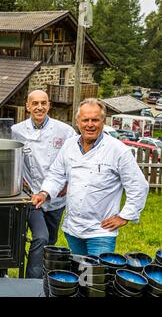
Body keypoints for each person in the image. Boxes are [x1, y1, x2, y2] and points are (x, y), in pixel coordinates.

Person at [32, 98, 149, 256]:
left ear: (103, 121)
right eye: (85, 120)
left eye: (95, 120)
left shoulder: (118, 150)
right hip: (73, 228)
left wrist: (125, 215)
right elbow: (56, 174)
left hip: (101, 231)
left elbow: (138, 185)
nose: (90, 124)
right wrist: (44, 193)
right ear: (78, 122)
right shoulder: (69, 145)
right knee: (79, 272)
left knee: (97, 277)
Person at [11, 90, 76, 279]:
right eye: (35, 103)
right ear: (28, 106)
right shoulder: (17, 130)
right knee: (40, 236)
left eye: (44, 103)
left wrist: (67, 183)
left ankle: (45, 278)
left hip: (57, 198)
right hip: (32, 195)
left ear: (49, 105)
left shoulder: (65, 131)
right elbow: (11, 158)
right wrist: (18, 178)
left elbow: (73, 159)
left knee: (50, 241)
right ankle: (32, 282)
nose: (40, 107)